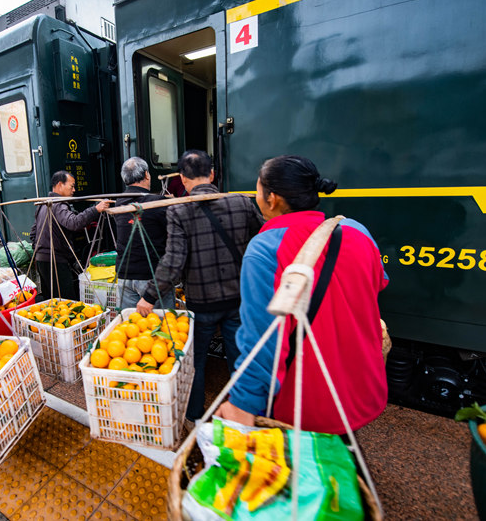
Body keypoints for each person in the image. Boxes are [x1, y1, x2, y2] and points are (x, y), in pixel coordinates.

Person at [215, 155, 388, 434]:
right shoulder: (358, 231)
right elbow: (379, 282)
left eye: (257, 190)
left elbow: (263, 339)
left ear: (271, 199)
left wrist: (243, 404)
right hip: (363, 388)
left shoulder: (264, 250)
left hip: (306, 404)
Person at [136, 150, 264, 424]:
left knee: (196, 362)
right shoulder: (241, 202)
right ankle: (241, 416)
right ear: (213, 174)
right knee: (239, 359)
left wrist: (149, 296)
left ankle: (195, 416)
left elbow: (174, 261)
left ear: (182, 179)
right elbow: (262, 239)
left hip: (202, 304)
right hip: (238, 300)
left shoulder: (179, 210)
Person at [29, 170, 109, 300]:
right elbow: (74, 223)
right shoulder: (58, 204)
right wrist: (95, 209)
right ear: (60, 184)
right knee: (66, 301)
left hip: (42, 260)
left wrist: (41, 251)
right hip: (55, 261)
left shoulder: (43, 204)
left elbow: (33, 233)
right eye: (71, 186)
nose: (74, 190)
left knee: (51, 300)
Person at [114, 157, 174, 309]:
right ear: (147, 175)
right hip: (152, 279)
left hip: (125, 276)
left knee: (133, 327)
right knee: (161, 326)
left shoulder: (118, 203)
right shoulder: (158, 203)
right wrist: (171, 204)